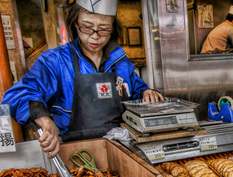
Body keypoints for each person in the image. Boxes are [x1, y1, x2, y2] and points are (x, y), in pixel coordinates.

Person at [1, 0, 163, 158]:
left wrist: (146, 92)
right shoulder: (56, 61)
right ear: (75, 24)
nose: (95, 36)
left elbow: (135, 89)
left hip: (121, 150)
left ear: (113, 28)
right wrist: (44, 121)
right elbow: (18, 95)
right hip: (73, 152)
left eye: (104, 29)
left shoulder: (120, 61)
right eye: (86, 27)